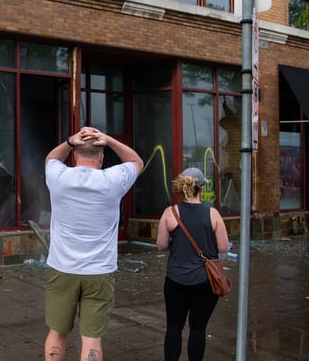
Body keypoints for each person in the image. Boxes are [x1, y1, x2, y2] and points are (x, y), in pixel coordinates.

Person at [43, 127, 143, 361]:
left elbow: (51, 158)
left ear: (75, 155)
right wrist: (108, 140)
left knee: (57, 333)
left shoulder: (59, 177)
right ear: (101, 158)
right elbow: (136, 161)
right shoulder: (113, 180)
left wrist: (69, 141)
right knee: (92, 339)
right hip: (99, 272)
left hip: (63, 269)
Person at [156, 167, 230, 361]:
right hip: (206, 282)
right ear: (201, 188)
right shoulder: (213, 214)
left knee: (173, 327)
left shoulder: (170, 212)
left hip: (175, 280)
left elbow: (161, 245)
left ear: (182, 188)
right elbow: (223, 247)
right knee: (198, 328)